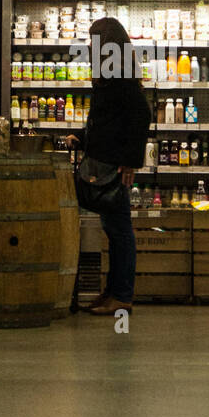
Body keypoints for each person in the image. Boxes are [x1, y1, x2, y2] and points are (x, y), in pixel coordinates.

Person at [70, 17, 151, 316]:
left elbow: (141, 114)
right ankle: (112, 293)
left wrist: (131, 160)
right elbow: (104, 120)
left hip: (114, 167)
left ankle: (122, 297)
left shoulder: (121, 74)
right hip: (103, 162)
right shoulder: (109, 72)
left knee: (120, 232)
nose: (90, 47)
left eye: (94, 42)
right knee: (114, 231)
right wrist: (80, 137)